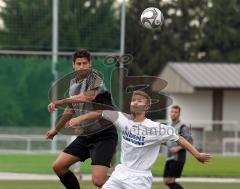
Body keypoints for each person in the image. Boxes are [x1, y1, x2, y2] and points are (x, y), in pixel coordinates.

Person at [68, 90, 211, 189]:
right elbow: (100, 113)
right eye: (133, 100)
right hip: (121, 171)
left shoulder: (156, 128)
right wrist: (79, 118)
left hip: (140, 178)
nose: (135, 102)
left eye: (139, 101)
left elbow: (179, 138)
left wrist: (197, 154)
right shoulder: (122, 118)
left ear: (147, 106)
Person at [45, 49, 118, 189]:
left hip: (104, 135)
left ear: (90, 64)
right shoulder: (73, 84)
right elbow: (70, 109)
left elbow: (87, 97)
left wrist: (60, 101)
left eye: (85, 63)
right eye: (78, 63)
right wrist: (55, 129)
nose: (82, 66)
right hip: (86, 135)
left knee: (99, 181)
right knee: (59, 166)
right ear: (73, 65)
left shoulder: (95, 78)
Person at [163, 105, 193, 189]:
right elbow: (169, 141)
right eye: (172, 112)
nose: (173, 114)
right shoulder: (169, 126)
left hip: (178, 157)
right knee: (166, 181)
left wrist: (178, 148)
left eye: (176, 112)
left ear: (179, 114)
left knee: (170, 181)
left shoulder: (183, 127)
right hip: (169, 157)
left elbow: (190, 142)